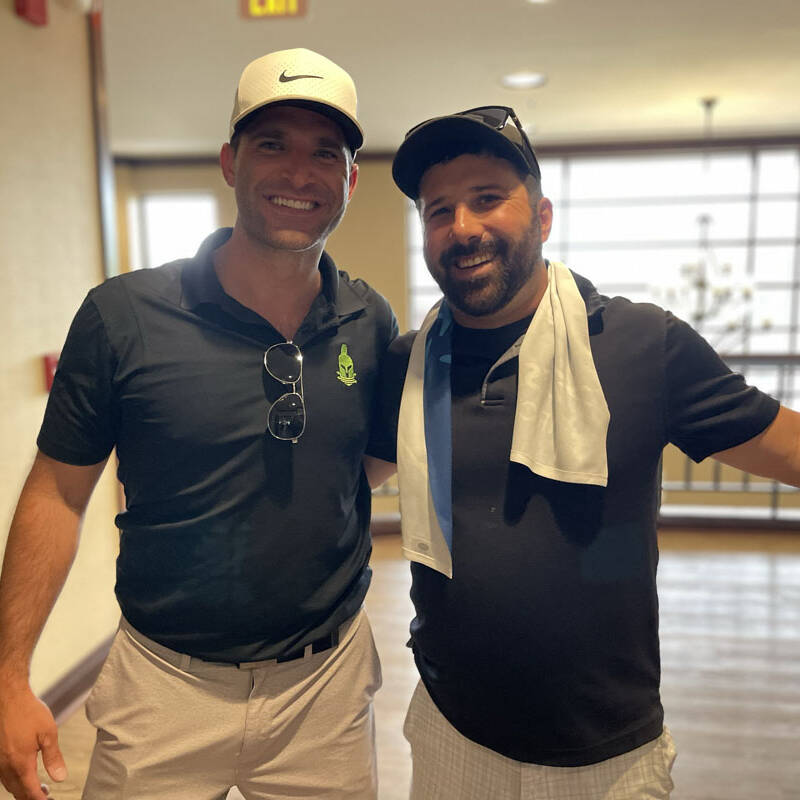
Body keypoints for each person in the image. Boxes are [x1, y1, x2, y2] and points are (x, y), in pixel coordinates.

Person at [0, 48, 397, 800]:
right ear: (229, 161)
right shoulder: (123, 317)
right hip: (163, 690)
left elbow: (363, 462)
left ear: (349, 179)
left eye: (325, 153)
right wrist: (7, 676)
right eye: (271, 144)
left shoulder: (366, 318)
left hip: (326, 689)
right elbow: (57, 492)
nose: (297, 174)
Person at [372, 105, 800, 799]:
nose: (463, 228)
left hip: (607, 754)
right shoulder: (409, 366)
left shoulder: (641, 345)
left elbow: (790, 449)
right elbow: (337, 485)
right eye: (438, 209)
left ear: (541, 217)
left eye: (487, 199)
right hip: (450, 728)